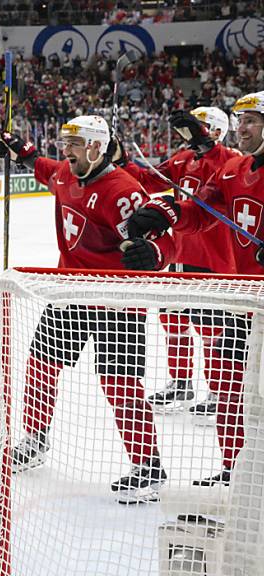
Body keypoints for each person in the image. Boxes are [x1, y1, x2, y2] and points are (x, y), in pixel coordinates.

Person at [0, 115, 174, 503]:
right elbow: (46, 169)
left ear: (96, 147)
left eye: (74, 144)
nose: (66, 151)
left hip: (116, 302)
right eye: (65, 143)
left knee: (120, 385)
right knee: (41, 364)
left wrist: (156, 254)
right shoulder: (65, 174)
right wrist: (22, 153)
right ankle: (36, 437)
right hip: (70, 293)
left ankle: (148, 465)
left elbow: (165, 239)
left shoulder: (123, 192)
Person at [124, 90, 264, 486]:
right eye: (241, 120)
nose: (243, 128)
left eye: (252, 120)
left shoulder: (228, 161)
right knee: (228, 385)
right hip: (242, 303)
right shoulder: (235, 171)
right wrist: (164, 212)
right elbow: (200, 211)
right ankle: (235, 471)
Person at [117, 106, 240, 414]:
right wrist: (120, 160)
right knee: (173, 319)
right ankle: (181, 382)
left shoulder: (230, 159)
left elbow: (225, 168)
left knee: (211, 329)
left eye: (197, 127)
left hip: (213, 257)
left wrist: (205, 145)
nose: (188, 132)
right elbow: (149, 179)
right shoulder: (185, 159)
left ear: (213, 130)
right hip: (180, 253)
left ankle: (218, 390)